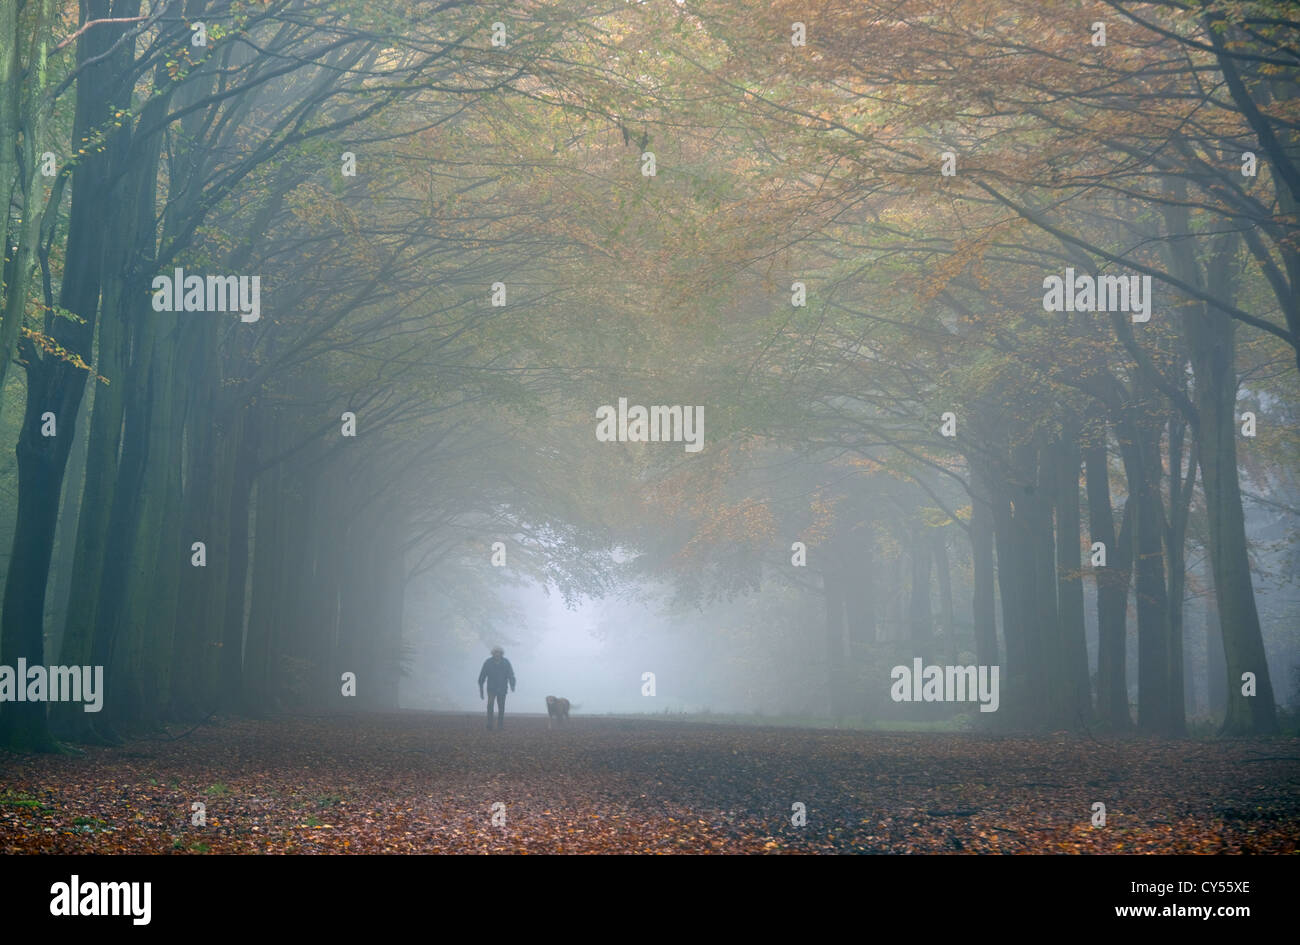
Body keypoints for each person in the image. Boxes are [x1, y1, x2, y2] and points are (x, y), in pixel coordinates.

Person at [478, 646, 515, 730]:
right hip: (491, 688)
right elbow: (482, 675)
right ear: (493, 653)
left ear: (501, 653)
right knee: (490, 705)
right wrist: (481, 689)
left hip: (502, 688)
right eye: (495, 652)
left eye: (499, 652)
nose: (497, 654)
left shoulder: (506, 662)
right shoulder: (488, 662)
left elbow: (510, 674)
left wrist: (512, 684)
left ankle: (500, 724)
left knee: (501, 707)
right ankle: (490, 723)